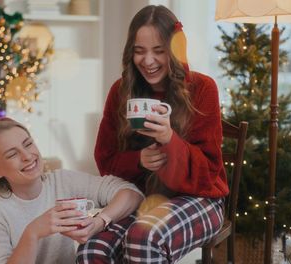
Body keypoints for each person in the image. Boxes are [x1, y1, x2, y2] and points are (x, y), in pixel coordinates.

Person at [78, 5, 227, 263]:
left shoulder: (203, 89)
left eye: (159, 51)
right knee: (92, 249)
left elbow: (208, 173)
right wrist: (138, 160)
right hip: (142, 198)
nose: (148, 61)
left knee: (143, 238)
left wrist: (170, 139)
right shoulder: (121, 91)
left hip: (201, 199)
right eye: (139, 51)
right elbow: (105, 160)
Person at [0, 117, 144, 264]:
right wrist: (33, 233)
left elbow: (131, 193)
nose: (27, 156)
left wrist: (100, 221)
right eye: (12, 154)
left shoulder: (63, 181)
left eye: (28, 144)